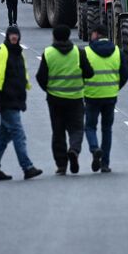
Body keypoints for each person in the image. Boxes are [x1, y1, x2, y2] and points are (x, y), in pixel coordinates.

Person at [0, 26, 42, 181]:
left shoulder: (18, 53)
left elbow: (20, 76)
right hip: (6, 101)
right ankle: (27, 167)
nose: (14, 37)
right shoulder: (1, 51)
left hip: (15, 100)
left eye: (16, 34)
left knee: (4, 136)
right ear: (7, 36)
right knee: (18, 134)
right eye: (12, 34)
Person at [35, 25, 93, 175]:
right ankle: (74, 150)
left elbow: (40, 77)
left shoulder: (48, 53)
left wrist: (49, 90)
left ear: (54, 36)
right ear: (68, 36)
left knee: (58, 131)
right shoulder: (78, 53)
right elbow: (89, 73)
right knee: (77, 129)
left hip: (54, 100)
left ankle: (61, 165)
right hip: (75, 98)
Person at [83, 25, 128, 173]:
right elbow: (125, 74)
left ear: (96, 34)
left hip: (91, 95)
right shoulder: (117, 51)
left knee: (90, 126)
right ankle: (105, 164)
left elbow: (81, 73)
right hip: (110, 96)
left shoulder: (87, 52)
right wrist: (115, 87)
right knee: (107, 129)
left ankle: (94, 148)